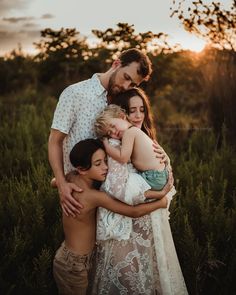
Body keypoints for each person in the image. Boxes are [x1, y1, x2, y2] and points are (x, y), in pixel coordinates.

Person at [88, 88, 188, 294]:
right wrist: (159, 198)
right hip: (130, 228)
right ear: (122, 113)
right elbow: (120, 189)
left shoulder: (140, 137)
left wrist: (166, 160)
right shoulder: (119, 140)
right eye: (132, 110)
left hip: (150, 221)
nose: (138, 115)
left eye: (141, 109)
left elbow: (165, 179)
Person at [48, 48, 168, 217]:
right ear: (116, 64)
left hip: (120, 192)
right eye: (126, 77)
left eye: (133, 84)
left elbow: (138, 134)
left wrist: (160, 155)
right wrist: (61, 183)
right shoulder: (74, 94)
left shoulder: (124, 100)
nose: (126, 86)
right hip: (82, 191)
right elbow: (55, 141)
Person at [53, 138, 171, 295]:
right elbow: (133, 211)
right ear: (82, 169)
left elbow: (54, 181)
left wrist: (62, 184)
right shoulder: (91, 196)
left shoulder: (72, 178)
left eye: (105, 161)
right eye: (98, 164)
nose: (105, 167)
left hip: (75, 258)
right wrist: (161, 200)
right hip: (73, 265)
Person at [95, 103, 169, 192]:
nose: (114, 132)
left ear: (122, 116)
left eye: (113, 126)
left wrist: (107, 146)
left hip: (153, 177)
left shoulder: (129, 133)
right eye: (109, 133)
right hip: (158, 174)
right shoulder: (133, 131)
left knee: (123, 188)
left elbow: (123, 158)